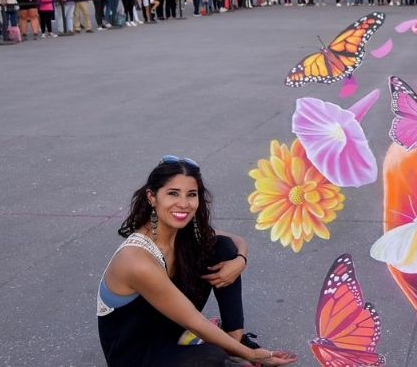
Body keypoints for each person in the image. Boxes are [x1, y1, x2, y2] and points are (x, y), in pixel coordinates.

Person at [97, 156, 297, 367]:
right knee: (212, 358)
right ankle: (233, 351)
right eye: (173, 193)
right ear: (152, 197)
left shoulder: (180, 233)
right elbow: (194, 320)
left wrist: (240, 261)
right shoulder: (136, 260)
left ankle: (234, 340)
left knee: (221, 247)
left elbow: (236, 242)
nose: (184, 204)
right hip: (136, 354)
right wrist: (253, 355)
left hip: (169, 330)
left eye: (191, 195)